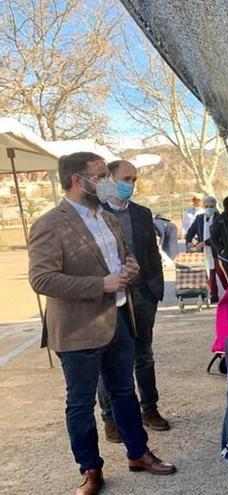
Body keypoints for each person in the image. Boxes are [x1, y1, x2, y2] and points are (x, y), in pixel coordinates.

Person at [28, 152, 176, 495]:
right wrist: (101, 285)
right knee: (80, 403)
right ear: (79, 180)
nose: (107, 181)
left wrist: (131, 267)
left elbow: (124, 255)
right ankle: (91, 468)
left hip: (119, 320)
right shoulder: (50, 223)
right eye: (100, 175)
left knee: (124, 392)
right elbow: (42, 279)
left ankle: (138, 453)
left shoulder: (106, 217)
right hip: (79, 329)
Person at [97, 160, 170, 444]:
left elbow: (152, 253)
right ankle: (110, 418)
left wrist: (154, 289)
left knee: (144, 356)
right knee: (110, 360)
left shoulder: (142, 213)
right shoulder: (97, 215)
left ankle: (149, 408)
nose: (132, 183)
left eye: (135, 178)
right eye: (127, 178)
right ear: (111, 180)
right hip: (110, 297)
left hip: (142, 295)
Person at [185, 195, 228, 303]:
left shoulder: (220, 218)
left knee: (221, 272)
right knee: (210, 273)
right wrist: (189, 241)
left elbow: (219, 236)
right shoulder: (199, 218)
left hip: (216, 250)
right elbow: (190, 232)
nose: (209, 208)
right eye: (207, 206)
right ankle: (213, 295)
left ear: (215, 206)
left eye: (211, 206)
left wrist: (205, 242)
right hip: (204, 251)